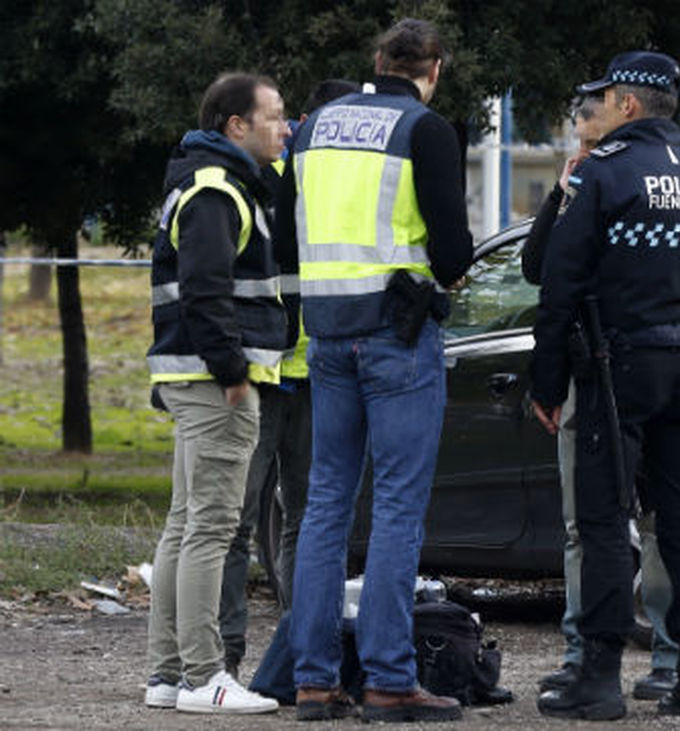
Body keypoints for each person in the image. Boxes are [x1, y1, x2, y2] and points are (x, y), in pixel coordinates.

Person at [530, 51, 680, 721]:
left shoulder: (605, 175)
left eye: (601, 99)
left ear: (627, 104)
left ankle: (597, 678)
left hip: (617, 366)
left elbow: (557, 282)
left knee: (600, 523)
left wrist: (548, 378)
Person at [274, 18, 473, 724]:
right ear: (434, 69)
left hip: (327, 336)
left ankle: (313, 680)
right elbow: (451, 254)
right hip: (397, 336)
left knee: (325, 504)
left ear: (377, 61)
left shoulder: (314, 127)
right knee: (395, 505)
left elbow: (284, 224)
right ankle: (390, 677)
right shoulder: (425, 130)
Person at [525, 94, 680, 702]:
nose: (586, 154)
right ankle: (580, 651)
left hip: (637, 368)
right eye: (580, 146)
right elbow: (538, 268)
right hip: (586, 375)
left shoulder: (639, 187)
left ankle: (665, 656)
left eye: (592, 142)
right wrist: (561, 196)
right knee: (582, 526)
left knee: (655, 521)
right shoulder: (580, 187)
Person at [143, 71, 290, 715]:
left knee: (184, 525)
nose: (285, 128)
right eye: (275, 116)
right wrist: (233, 370)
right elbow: (206, 290)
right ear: (237, 125)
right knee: (209, 527)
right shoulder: (216, 190)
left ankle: (170, 675)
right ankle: (205, 676)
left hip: (193, 375)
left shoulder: (209, 183)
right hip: (213, 382)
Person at [217, 79, 361, 681]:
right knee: (235, 518)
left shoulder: (344, 186)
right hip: (260, 373)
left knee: (311, 519)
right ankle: (222, 656)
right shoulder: (265, 182)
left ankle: (303, 650)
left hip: (316, 373)